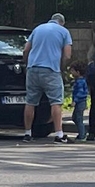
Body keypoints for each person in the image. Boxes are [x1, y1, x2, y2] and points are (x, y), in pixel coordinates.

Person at [23, 10, 73, 143]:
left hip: (33, 69)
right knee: (56, 102)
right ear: (61, 23)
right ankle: (59, 134)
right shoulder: (64, 32)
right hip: (51, 69)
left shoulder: (38, 29)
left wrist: (27, 63)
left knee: (30, 102)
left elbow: (26, 49)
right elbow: (67, 55)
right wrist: (61, 67)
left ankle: (28, 133)